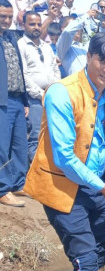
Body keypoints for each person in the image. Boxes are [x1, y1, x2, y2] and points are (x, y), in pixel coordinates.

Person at [23, 32, 105, 271]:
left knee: (99, 251)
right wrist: (104, 188)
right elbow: (64, 157)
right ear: (88, 57)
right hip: (63, 187)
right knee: (84, 257)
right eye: (103, 61)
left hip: (97, 184)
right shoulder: (62, 92)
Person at [17, 11, 60, 162]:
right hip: (34, 100)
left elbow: (55, 69)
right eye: (32, 24)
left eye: (38, 24)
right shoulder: (20, 46)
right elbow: (23, 75)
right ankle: (36, 174)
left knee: (51, 136)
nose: (36, 27)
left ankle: (48, 172)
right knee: (35, 137)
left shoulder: (46, 46)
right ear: (23, 25)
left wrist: (54, 89)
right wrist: (41, 94)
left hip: (51, 97)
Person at [0, 0, 28, 207]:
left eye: (9, 17)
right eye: (3, 16)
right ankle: (2, 189)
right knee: (2, 146)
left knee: (20, 144)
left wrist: (25, 100)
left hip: (18, 99)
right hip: (2, 100)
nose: (6, 20)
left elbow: (19, 70)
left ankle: (19, 183)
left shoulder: (11, 37)